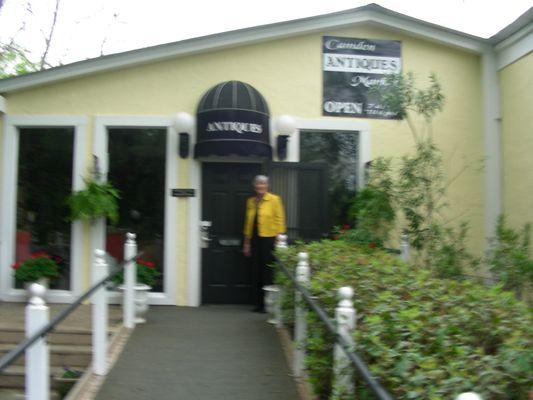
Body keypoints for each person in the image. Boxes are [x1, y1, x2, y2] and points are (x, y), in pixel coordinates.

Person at [243, 175, 286, 312]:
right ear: (255, 186)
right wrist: (246, 243)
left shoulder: (274, 200)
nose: (260, 186)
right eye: (258, 184)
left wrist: (279, 239)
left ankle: (269, 305)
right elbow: (248, 224)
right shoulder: (250, 202)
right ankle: (259, 304)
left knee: (267, 271)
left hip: (269, 239)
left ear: (267, 186)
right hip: (254, 239)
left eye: (263, 184)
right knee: (255, 271)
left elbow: (280, 220)